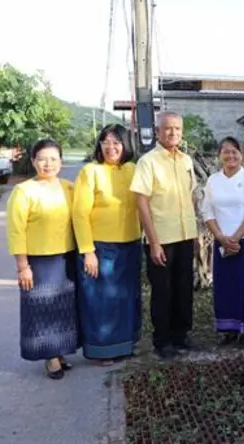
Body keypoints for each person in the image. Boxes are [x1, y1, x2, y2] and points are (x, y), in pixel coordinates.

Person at [6, 138, 79, 379]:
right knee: (42, 309)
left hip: (67, 256)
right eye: (42, 159)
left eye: (53, 159)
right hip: (39, 261)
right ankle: (50, 357)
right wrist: (22, 266)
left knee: (64, 308)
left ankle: (60, 351)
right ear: (33, 161)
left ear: (61, 161)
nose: (48, 164)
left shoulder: (69, 188)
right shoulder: (24, 191)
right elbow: (16, 230)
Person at [130, 111, 199, 360]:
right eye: (168, 129)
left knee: (184, 287)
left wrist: (195, 234)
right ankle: (163, 340)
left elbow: (190, 198)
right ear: (158, 131)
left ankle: (182, 334)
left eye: (178, 129)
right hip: (162, 238)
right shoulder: (148, 161)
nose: (173, 133)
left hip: (185, 234)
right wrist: (154, 242)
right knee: (163, 290)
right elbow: (142, 202)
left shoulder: (186, 161)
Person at [73, 124, 142, 365]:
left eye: (116, 142)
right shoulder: (90, 172)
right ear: (100, 146)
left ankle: (125, 345)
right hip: (101, 247)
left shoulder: (133, 169)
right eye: (106, 142)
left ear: (126, 145)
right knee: (101, 301)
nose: (111, 147)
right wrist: (88, 251)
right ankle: (102, 350)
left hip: (130, 244)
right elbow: (80, 214)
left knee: (125, 297)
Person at [201, 136, 244, 346]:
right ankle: (228, 329)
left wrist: (235, 239)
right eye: (225, 151)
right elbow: (207, 211)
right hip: (221, 240)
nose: (230, 155)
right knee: (225, 286)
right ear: (219, 156)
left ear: (241, 155)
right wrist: (221, 238)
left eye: (234, 151)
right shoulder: (213, 181)